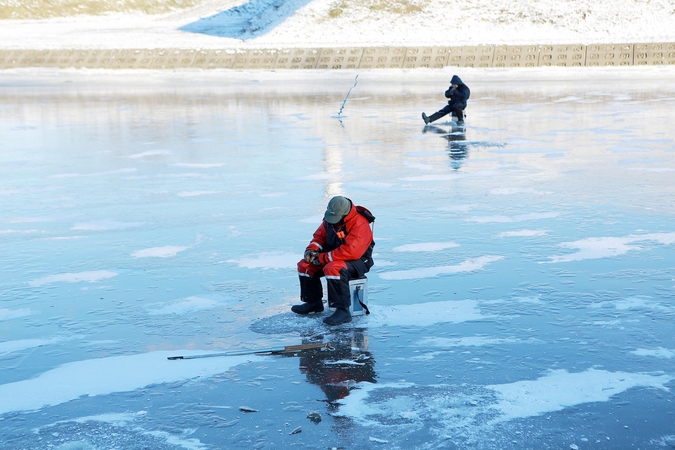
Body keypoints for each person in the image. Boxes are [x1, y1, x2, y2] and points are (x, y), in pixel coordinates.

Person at [291, 196, 375, 326]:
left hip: (358, 260)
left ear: (344, 215)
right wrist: (311, 251)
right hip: (333, 256)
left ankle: (343, 310)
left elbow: (352, 252)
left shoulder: (359, 223)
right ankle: (313, 303)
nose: (332, 221)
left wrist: (322, 258)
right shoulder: (329, 219)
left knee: (333, 268)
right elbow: (319, 236)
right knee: (304, 266)